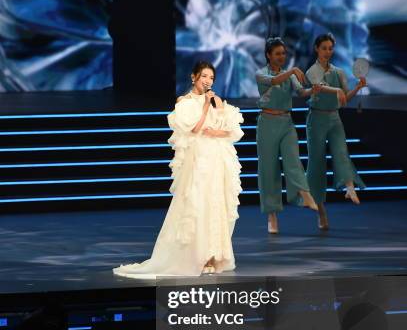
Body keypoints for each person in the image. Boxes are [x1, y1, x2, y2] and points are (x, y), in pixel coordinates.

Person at [113, 61, 244, 279]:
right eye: (204, 76)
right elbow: (193, 127)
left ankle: (214, 256)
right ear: (194, 77)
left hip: (216, 159)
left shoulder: (217, 101)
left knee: (216, 204)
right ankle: (196, 255)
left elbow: (230, 130)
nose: (208, 81)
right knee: (197, 205)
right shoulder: (185, 102)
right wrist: (205, 108)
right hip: (198, 159)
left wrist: (216, 124)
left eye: (211, 78)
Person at [255, 37, 319, 234]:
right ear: (268, 55)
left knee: (293, 158)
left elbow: (300, 92)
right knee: (269, 170)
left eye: (283, 53)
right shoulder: (261, 74)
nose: (282, 57)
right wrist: (291, 71)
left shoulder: (288, 74)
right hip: (267, 123)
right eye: (277, 53)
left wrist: (313, 90)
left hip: (286, 123)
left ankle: (304, 193)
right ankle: (272, 215)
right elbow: (273, 81)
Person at [305, 33, 366, 230]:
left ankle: (349, 187)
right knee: (316, 163)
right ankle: (321, 212)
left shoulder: (338, 72)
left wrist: (357, 87)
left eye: (330, 48)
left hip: (334, 117)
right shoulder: (311, 71)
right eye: (324, 48)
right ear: (317, 49)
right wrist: (336, 90)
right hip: (316, 119)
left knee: (341, 151)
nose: (327, 52)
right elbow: (319, 87)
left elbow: (344, 99)